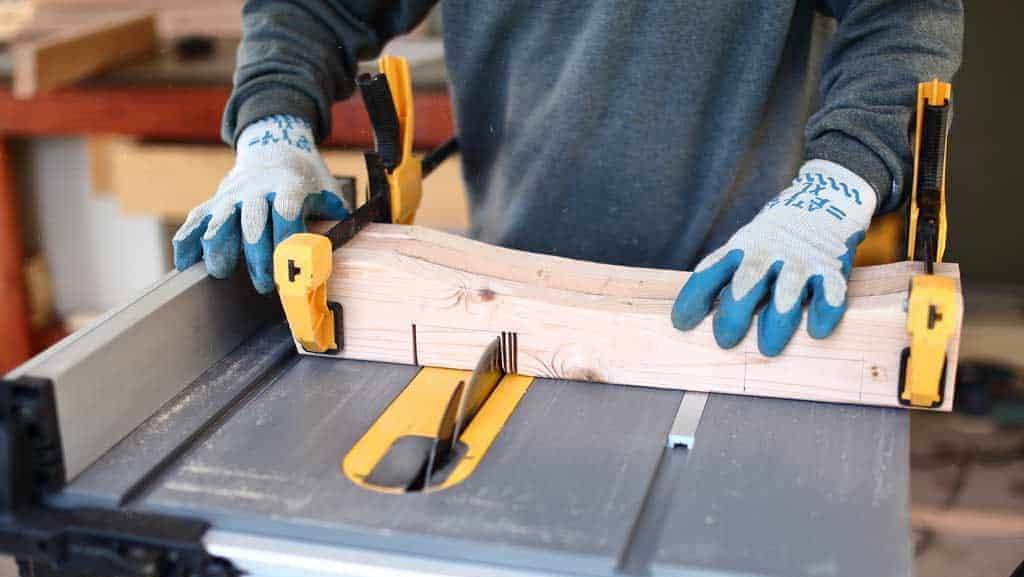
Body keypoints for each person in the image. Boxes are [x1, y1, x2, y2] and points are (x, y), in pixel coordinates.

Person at [173, 1, 963, 356]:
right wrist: (272, 126)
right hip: (510, 295)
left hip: (739, 303)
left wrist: (837, 185)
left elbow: (904, 13)